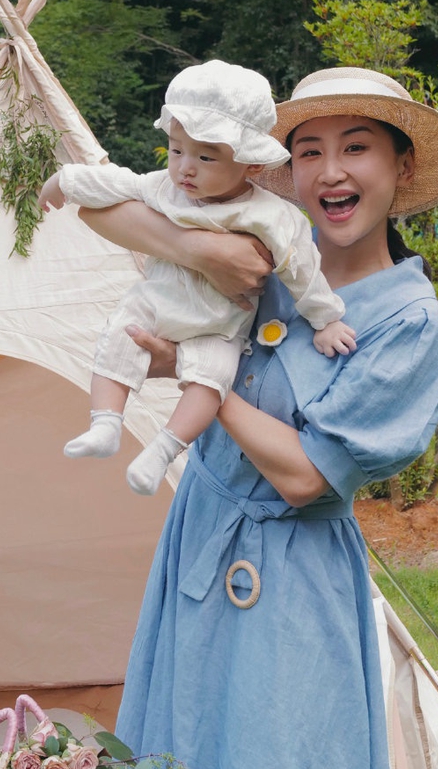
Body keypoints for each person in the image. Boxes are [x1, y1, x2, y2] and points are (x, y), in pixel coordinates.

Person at [83, 65, 438, 769]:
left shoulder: (407, 325)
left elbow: (306, 475)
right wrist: (189, 249)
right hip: (196, 562)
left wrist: (186, 376)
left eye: (355, 149)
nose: (329, 172)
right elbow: (106, 209)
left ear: (396, 168)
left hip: (289, 588)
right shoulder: (255, 249)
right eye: (308, 150)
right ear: (278, 166)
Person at [38, 60, 355, 495]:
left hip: (219, 324)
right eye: (176, 150)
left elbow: (302, 268)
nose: (186, 168)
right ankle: (106, 423)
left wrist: (326, 319)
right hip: (158, 302)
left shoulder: (270, 215)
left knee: (212, 379)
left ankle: (163, 450)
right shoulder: (166, 188)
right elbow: (117, 185)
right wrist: (66, 180)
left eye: (206, 157)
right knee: (120, 332)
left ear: (252, 166)